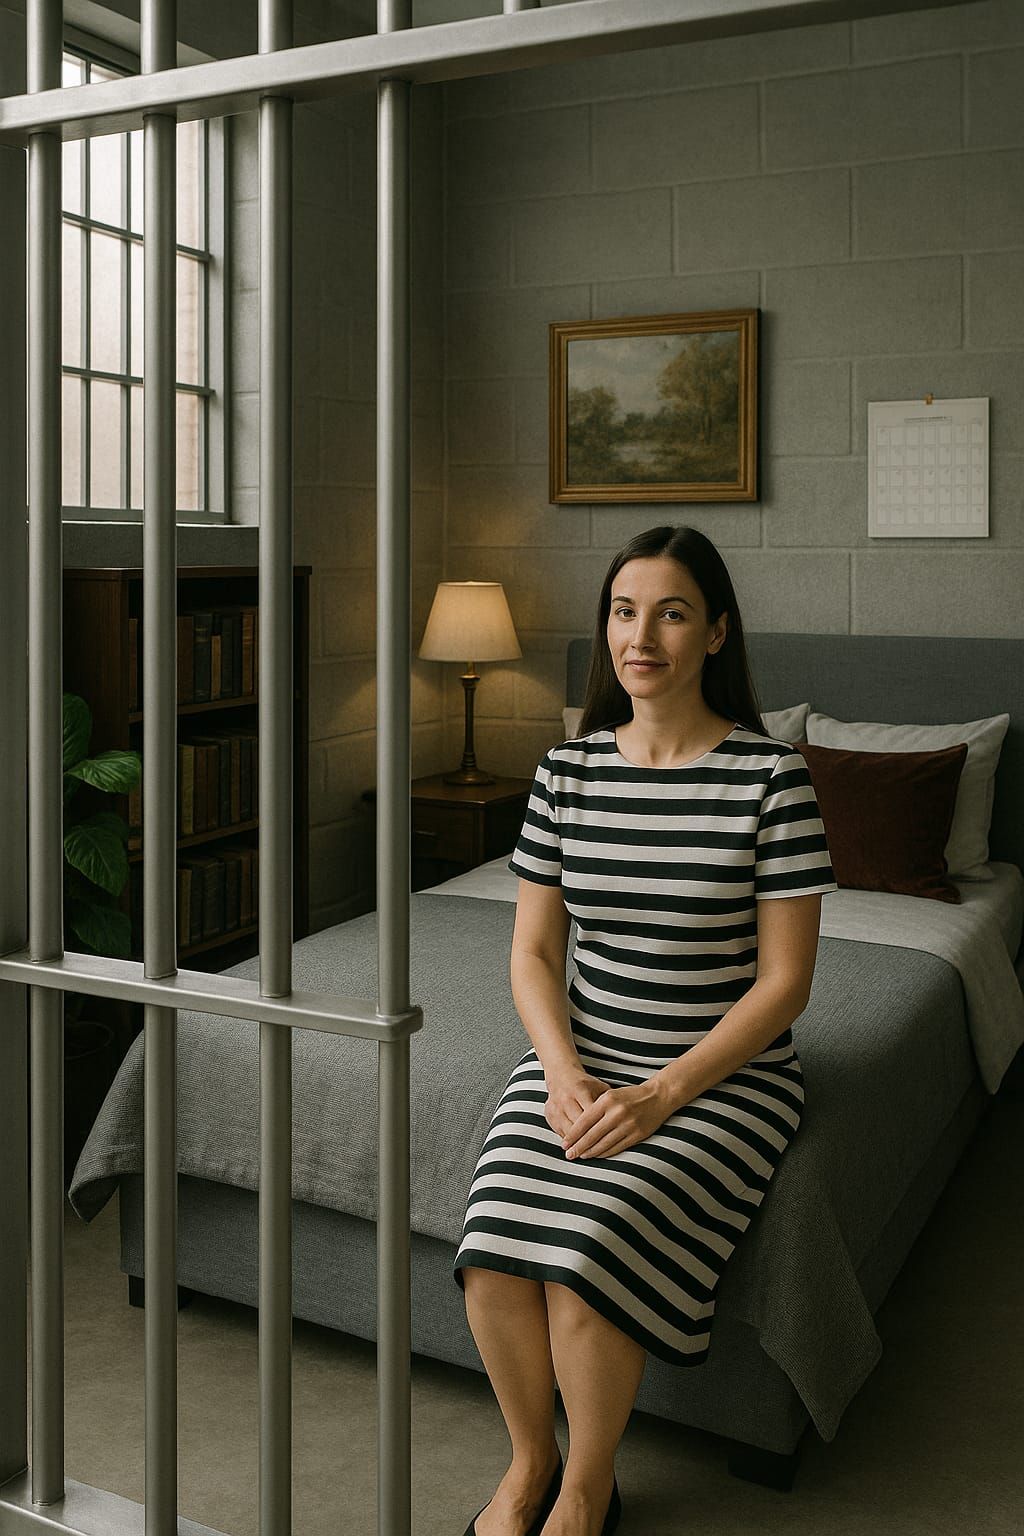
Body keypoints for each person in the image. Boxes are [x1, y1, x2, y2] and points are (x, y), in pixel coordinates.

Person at [453, 525, 837, 1536]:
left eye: (671, 612)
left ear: (714, 633)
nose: (642, 635)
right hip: (583, 1060)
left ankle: (588, 1487)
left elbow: (786, 984)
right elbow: (533, 954)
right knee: (492, 1261)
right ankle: (529, 1464)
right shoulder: (566, 774)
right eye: (624, 611)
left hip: (726, 1076)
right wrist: (563, 1074)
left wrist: (663, 1093)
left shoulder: (770, 779)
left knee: (589, 1257)